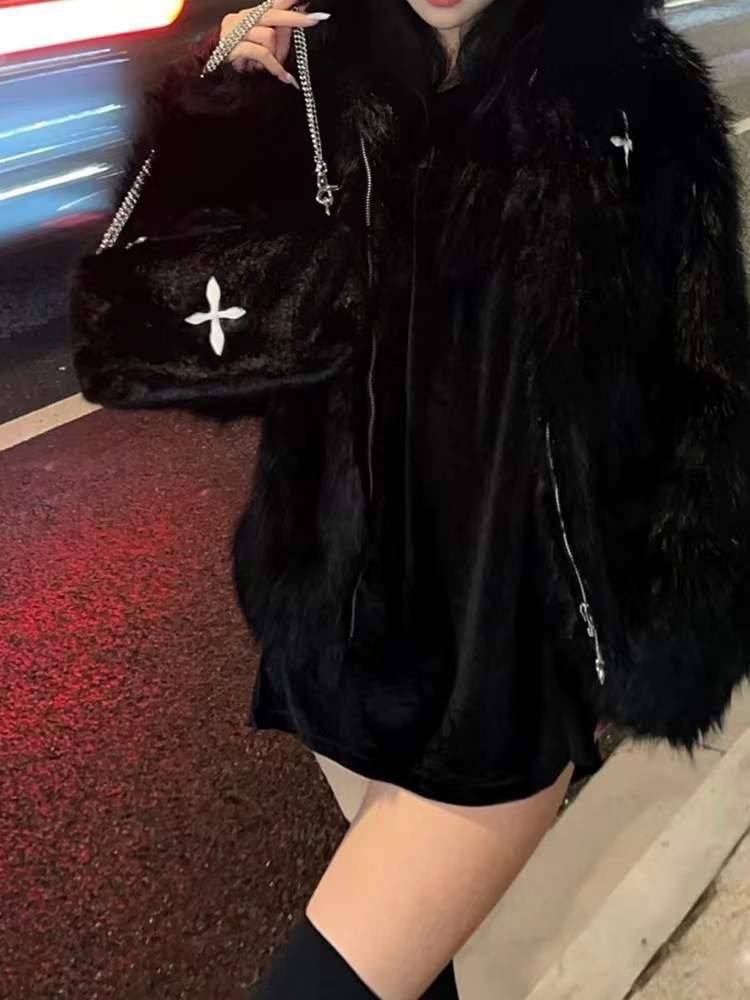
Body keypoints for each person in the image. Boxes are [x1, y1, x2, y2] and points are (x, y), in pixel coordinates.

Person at [71, 0, 750, 996]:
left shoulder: (628, 88)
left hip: (502, 674)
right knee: (414, 974)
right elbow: (207, 359)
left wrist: (659, 638)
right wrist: (221, 110)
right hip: (342, 642)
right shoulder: (323, 72)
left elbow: (706, 389)